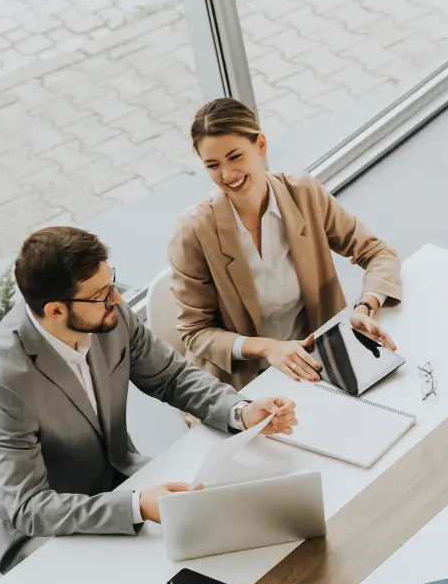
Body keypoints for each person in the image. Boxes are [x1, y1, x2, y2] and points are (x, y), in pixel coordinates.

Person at [0, 226, 297, 573]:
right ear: (55, 311)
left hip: (118, 478)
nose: (117, 299)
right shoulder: (2, 381)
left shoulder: (109, 313)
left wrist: (240, 411)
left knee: (235, 537)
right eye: (100, 294)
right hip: (42, 528)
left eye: (111, 282)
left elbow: (171, 376)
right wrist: (135, 506)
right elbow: (29, 508)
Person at [168, 97, 402, 390]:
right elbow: (195, 333)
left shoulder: (303, 194)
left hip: (318, 362)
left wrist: (365, 307)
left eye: (235, 156)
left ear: (261, 145)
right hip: (241, 382)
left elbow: (378, 252)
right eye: (213, 165)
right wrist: (266, 348)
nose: (227, 175)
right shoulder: (194, 230)